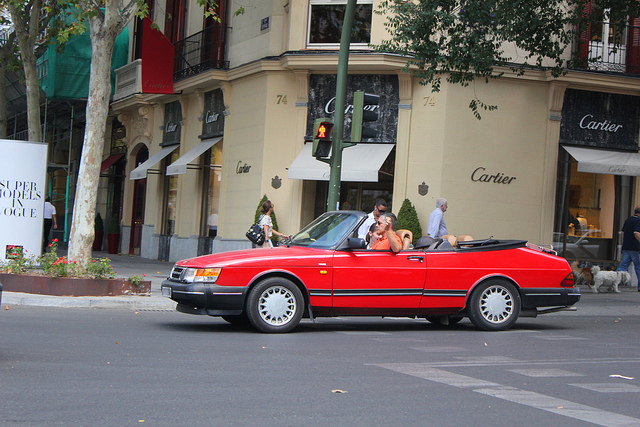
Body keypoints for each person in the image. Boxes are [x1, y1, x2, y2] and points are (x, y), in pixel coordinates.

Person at [616, 206, 640, 292]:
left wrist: (625, 242)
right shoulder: (638, 220)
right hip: (635, 248)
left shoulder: (628, 220)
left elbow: (622, 233)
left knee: (623, 266)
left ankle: (613, 283)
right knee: (638, 267)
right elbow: (636, 233)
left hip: (626, 247)